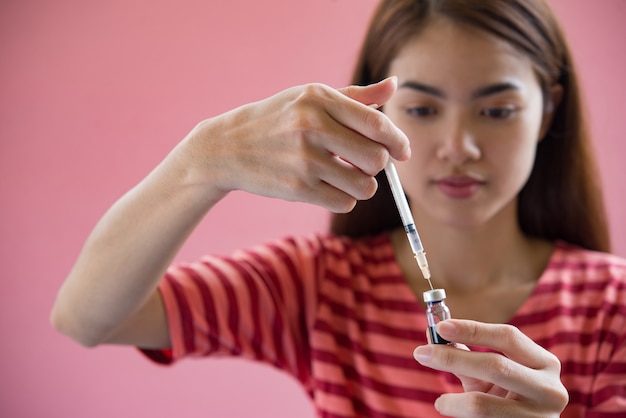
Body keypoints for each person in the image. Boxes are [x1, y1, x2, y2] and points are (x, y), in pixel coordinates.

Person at [51, 0, 626, 416]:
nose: (459, 147)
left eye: (496, 111)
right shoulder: (319, 286)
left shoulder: (612, 309)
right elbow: (87, 318)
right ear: (377, 117)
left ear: (548, 111)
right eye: (422, 110)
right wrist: (200, 162)